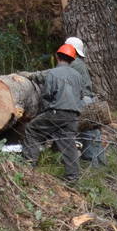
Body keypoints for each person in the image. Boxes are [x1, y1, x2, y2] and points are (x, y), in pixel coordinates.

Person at [21, 43, 89, 183]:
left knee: (32, 130)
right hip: (74, 116)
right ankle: (72, 178)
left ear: (57, 57)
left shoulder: (52, 73)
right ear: (72, 60)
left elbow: (47, 94)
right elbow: (81, 95)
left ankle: (28, 167)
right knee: (68, 143)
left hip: (56, 112)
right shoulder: (77, 75)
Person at [64, 36, 107, 166]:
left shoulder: (74, 63)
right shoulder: (78, 63)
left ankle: (93, 166)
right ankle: (99, 164)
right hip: (88, 101)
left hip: (83, 101)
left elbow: (56, 74)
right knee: (92, 134)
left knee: (88, 134)